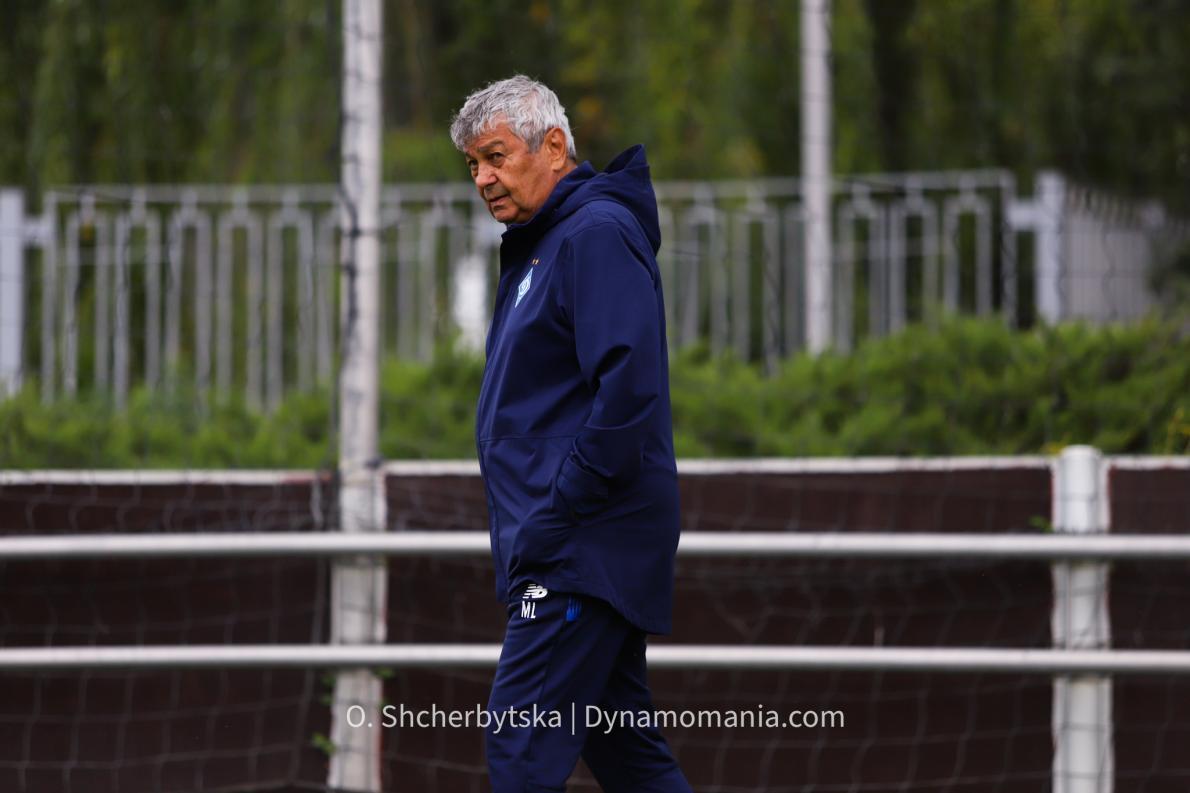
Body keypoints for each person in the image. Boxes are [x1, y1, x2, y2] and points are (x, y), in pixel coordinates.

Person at [450, 75, 692, 793]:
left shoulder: (593, 234)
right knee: (627, 754)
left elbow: (629, 393)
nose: (482, 179)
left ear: (553, 147)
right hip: (570, 541)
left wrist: (558, 513)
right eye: (473, 165)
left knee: (520, 743)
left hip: (579, 543)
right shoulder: (547, 241)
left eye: (495, 157)